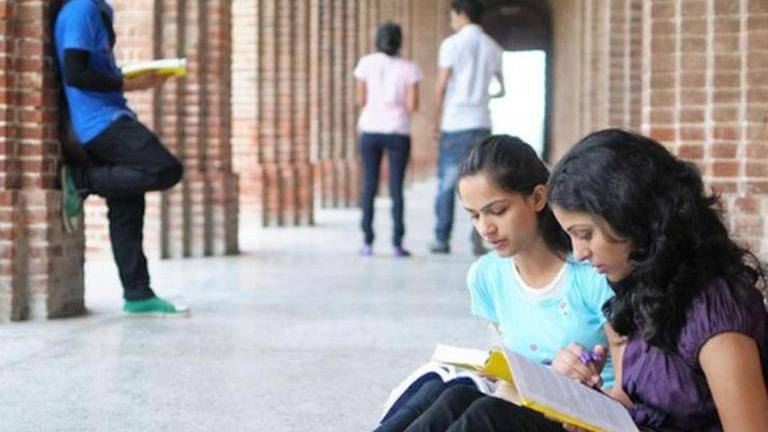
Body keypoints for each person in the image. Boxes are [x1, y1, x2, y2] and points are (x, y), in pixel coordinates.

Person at [405, 129, 768, 432]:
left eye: (585, 234)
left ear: (632, 218)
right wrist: (579, 400)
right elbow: (634, 401)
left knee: (487, 419)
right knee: (459, 399)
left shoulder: (716, 315)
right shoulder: (646, 288)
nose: (578, 253)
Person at [374, 136, 614, 432]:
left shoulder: (593, 275)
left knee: (485, 414)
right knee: (451, 394)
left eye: (498, 211)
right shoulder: (487, 276)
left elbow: (630, 391)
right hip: (529, 408)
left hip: (582, 418)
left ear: (537, 198)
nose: (485, 229)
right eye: (474, 216)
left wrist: (572, 381)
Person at [54, 0, 188, 316]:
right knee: (165, 168)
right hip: (99, 123)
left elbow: (92, 68)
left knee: (127, 206)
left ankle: (138, 294)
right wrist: (127, 82)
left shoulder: (100, 9)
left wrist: (130, 76)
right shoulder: (81, 9)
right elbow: (75, 73)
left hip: (110, 114)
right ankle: (80, 180)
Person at [430, 0, 504, 256]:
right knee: (482, 184)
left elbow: (441, 86)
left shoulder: (451, 44)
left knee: (447, 184)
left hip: (455, 122)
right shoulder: (493, 47)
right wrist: (483, 96)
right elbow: (501, 89)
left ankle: (442, 239)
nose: (452, 21)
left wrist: (435, 120)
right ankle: (479, 237)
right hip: (481, 122)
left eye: (453, 15)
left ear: (462, 14)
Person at [354, 21, 422, 258]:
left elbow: (361, 100)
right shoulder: (410, 68)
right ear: (399, 41)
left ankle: (367, 242)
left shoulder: (366, 63)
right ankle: (397, 243)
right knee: (396, 188)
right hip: (398, 130)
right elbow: (413, 105)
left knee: (369, 185)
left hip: (370, 129)